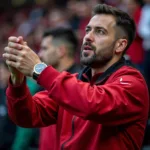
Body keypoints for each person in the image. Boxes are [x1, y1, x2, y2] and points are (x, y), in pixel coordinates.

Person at [3, 4, 149, 150]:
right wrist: (17, 82)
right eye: (88, 30)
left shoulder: (133, 82)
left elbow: (93, 104)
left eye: (100, 32)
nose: (88, 37)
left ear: (120, 45)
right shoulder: (74, 82)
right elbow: (26, 116)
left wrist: (39, 69)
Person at [38, 28, 82, 150]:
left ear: (61, 51)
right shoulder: (45, 82)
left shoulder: (80, 83)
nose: (40, 54)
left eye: (45, 48)